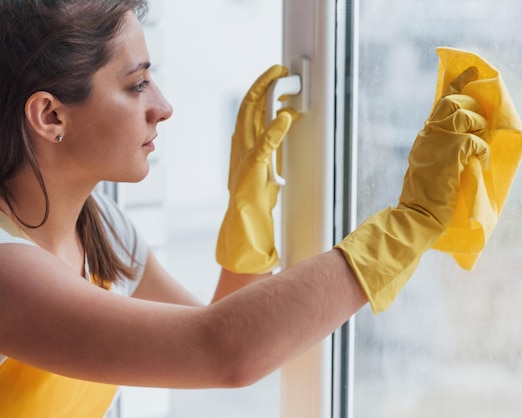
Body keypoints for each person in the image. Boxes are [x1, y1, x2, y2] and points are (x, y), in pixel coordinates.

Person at [0, 0, 489, 416]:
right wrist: (408, 223)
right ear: (50, 115)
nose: (164, 106)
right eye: (136, 85)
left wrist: (249, 214)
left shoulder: (103, 227)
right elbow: (222, 352)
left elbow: (213, 328)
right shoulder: (8, 271)